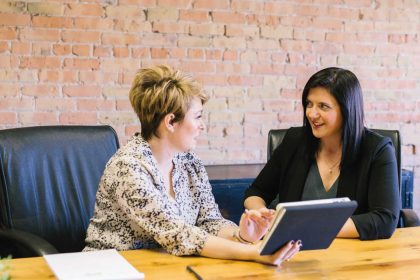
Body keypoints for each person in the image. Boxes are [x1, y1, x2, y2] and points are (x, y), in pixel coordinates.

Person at [84, 65, 301, 266]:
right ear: (170, 122)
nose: (202, 126)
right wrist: (254, 253)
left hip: (167, 267)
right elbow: (178, 234)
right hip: (110, 269)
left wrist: (242, 236)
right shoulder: (128, 168)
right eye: (197, 117)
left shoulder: (190, 163)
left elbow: (209, 221)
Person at [244, 67, 401, 240]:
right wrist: (260, 213)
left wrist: (308, 227)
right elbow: (256, 192)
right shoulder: (294, 141)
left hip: (353, 255)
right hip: (292, 252)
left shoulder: (377, 150)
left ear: (347, 110)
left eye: (323, 106)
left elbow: (385, 220)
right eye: (309, 104)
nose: (312, 114)